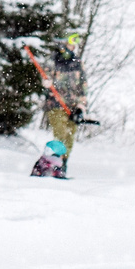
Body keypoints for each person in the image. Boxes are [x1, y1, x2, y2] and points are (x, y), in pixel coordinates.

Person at [30, 29, 91, 178]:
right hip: (56, 105)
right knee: (61, 134)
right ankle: (48, 164)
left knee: (69, 138)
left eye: (75, 44)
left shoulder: (78, 63)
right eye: (71, 43)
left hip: (72, 108)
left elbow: (83, 86)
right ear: (63, 44)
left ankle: (62, 166)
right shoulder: (53, 60)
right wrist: (46, 82)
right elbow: (46, 77)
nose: (73, 47)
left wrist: (80, 107)